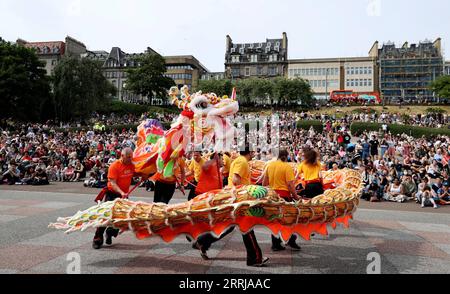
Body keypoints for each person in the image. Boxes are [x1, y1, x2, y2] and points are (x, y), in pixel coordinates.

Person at [92, 147, 147, 249]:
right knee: (106, 216)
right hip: (112, 194)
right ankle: (97, 238)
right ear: (122, 156)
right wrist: (121, 192)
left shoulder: (130, 165)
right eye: (128, 157)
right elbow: (112, 183)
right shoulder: (114, 166)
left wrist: (141, 175)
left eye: (131, 157)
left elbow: (132, 173)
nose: (131, 159)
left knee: (122, 218)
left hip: (123, 195)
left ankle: (110, 232)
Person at [262, 149, 301, 251]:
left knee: (275, 220)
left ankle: (275, 243)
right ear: (285, 156)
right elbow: (290, 185)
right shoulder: (287, 167)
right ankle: (291, 240)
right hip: (284, 196)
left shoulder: (269, 165)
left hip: (273, 197)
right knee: (289, 219)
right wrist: (296, 197)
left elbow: (264, 183)